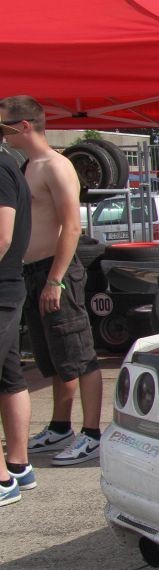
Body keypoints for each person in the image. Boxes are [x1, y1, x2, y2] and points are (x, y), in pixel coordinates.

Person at [0, 96, 103, 467]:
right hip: (30, 272)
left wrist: (56, 280)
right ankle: (61, 426)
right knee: (56, 357)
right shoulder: (26, 165)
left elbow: (72, 226)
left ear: (24, 126)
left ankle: (92, 433)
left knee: (79, 354)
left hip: (55, 272)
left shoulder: (57, 166)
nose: (2, 134)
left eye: (4, 126)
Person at [0, 118, 33, 505]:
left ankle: (3, 479)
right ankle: (19, 466)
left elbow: (3, 235)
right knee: (10, 378)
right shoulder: (10, 164)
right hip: (9, 286)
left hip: (3, 288)